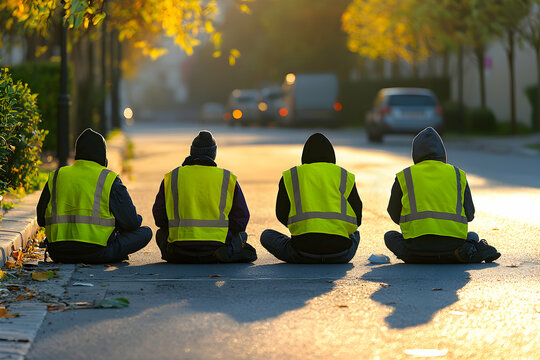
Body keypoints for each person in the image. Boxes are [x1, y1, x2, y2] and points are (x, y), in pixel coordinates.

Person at [384, 127, 500, 264]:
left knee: (390, 236)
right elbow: (470, 215)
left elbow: (393, 212)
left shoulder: (405, 176)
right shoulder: (458, 175)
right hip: (454, 246)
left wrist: (416, 227)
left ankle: (425, 255)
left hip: (416, 250)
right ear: (442, 152)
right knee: (473, 236)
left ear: (415, 153)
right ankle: (462, 252)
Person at [37, 128, 152, 263]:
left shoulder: (57, 175)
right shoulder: (108, 178)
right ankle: (115, 254)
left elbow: (41, 219)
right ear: (103, 156)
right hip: (97, 253)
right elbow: (131, 223)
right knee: (145, 232)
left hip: (59, 253)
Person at [152, 130, 257, 263]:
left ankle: (177, 253)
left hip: (179, 250)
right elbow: (241, 220)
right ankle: (224, 253)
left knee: (160, 233)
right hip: (217, 248)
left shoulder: (173, 177)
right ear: (214, 153)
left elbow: (159, 218)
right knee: (242, 236)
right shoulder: (227, 178)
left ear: (191, 151)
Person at [260, 133, 362, 263]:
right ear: (332, 155)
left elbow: (281, 214)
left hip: (302, 252)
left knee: (267, 235)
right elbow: (357, 217)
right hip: (340, 253)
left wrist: (302, 228)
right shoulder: (344, 175)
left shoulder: (292, 175)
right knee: (355, 235)